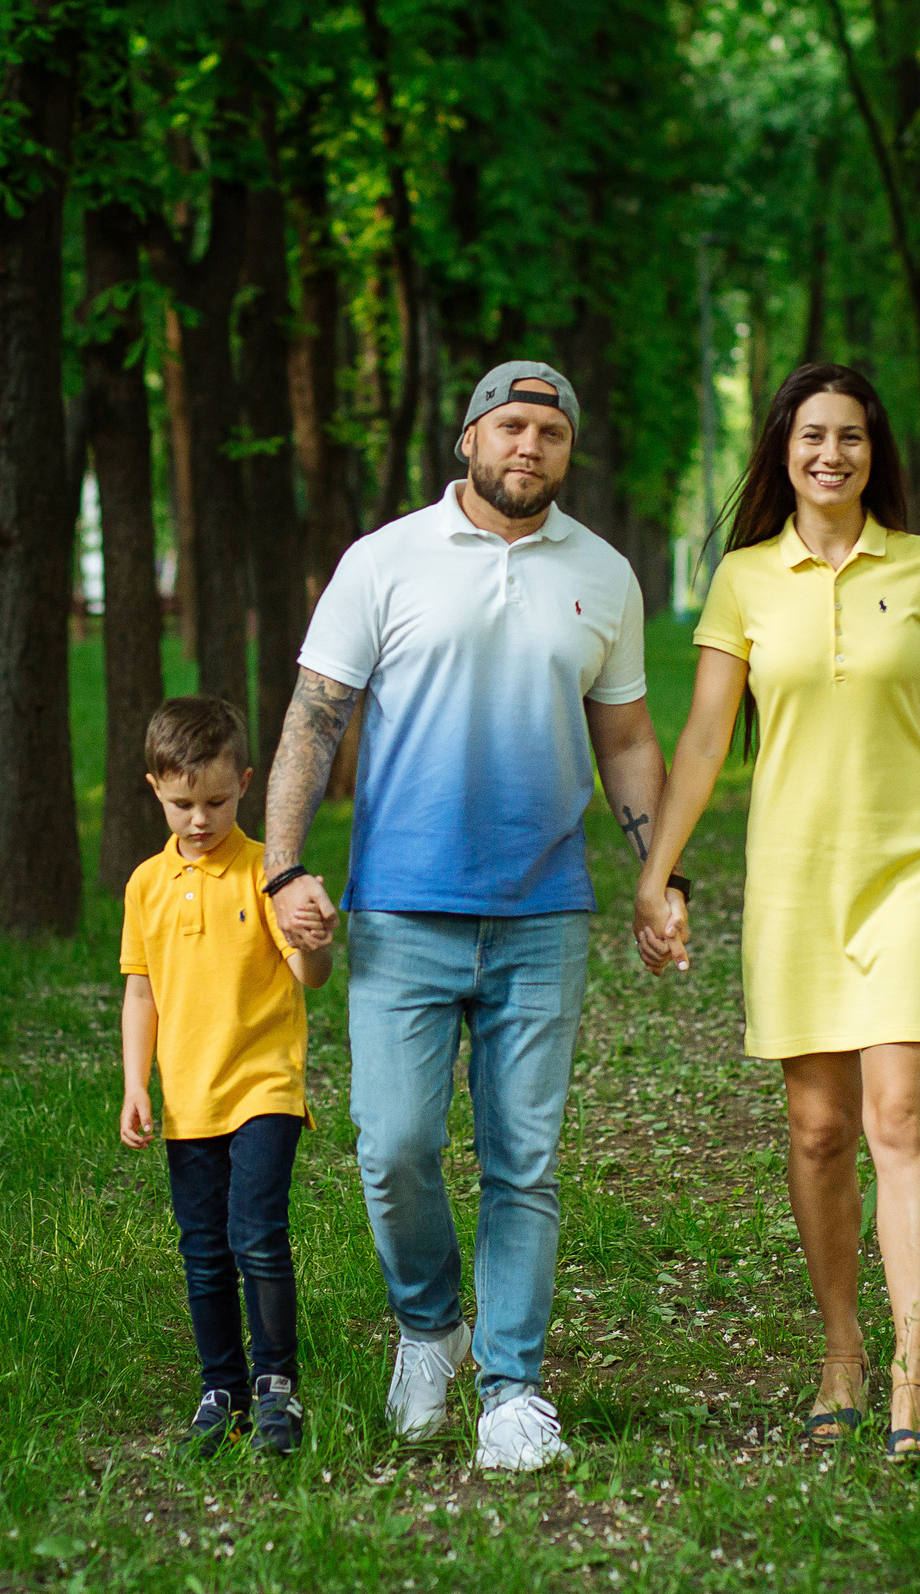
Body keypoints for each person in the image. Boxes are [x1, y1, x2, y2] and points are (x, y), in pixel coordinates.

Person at [632, 362, 920, 1465]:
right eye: (813, 435)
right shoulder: (741, 580)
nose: (833, 454)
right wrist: (656, 875)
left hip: (910, 874)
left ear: (875, 452)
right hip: (791, 884)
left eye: (852, 437)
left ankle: (915, 1372)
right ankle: (842, 1351)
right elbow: (701, 742)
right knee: (818, 1131)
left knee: (899, 1117)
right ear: (783, 449)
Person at [259, 361, 673, 1472]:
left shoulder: (603, 574)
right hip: (399, 909)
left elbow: (626, 737)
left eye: (549, 429)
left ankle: (513, 1387)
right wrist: (283, 869)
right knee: (391, 1148)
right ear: (468, 440)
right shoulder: (383, 561)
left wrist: (656, 872)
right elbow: (311, 721)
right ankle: (429, 1327)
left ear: (567, 450)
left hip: (543, 914)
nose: (528, 445)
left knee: (521, 1161)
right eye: (510, 426)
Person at [116, 697, 333, 1461]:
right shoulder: (145, 884)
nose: (199, 818)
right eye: (183, 803)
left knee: (258, 1238)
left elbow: (310, 974)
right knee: (203, 1249)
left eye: (215, 801)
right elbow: (140, 989)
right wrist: (136, 1084)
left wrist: (316, 939)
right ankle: (222, 1391)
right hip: (190, 1099)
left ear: (245, 784)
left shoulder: (264, 875)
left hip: (265, 1087)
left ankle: (277, 1385)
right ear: (155, 790)